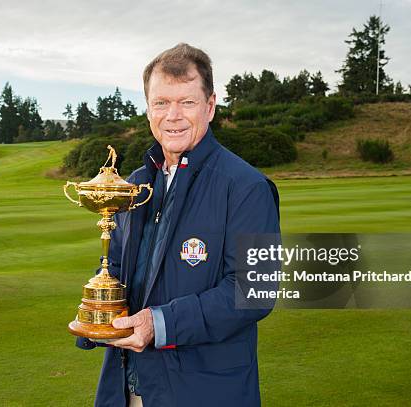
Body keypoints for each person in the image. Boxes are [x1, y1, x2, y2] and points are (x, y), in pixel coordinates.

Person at [77, 43, 280, 407]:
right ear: (148, 109)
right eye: (161, 102)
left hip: (204, 392)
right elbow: (119, 268)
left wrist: (159, 323)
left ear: (210, 106)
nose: (173, 115)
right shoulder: (135, 185)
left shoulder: (248, 187)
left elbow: (253, 293)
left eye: (186, 102)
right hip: (128, 389)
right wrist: (97, 312)